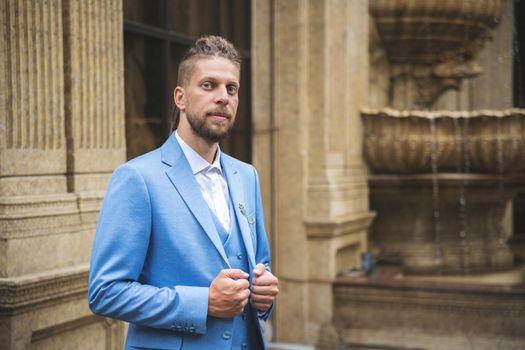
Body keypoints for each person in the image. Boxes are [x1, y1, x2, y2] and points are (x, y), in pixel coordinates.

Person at [88, 35, 278, 350]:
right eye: (208, 85)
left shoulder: (247, 176)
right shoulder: (138, 178)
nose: (223, 97)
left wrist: (264, 294)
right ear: (180, 97)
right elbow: (105, 292)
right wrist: (203, 302)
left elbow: (260, 264)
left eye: (231, 89)